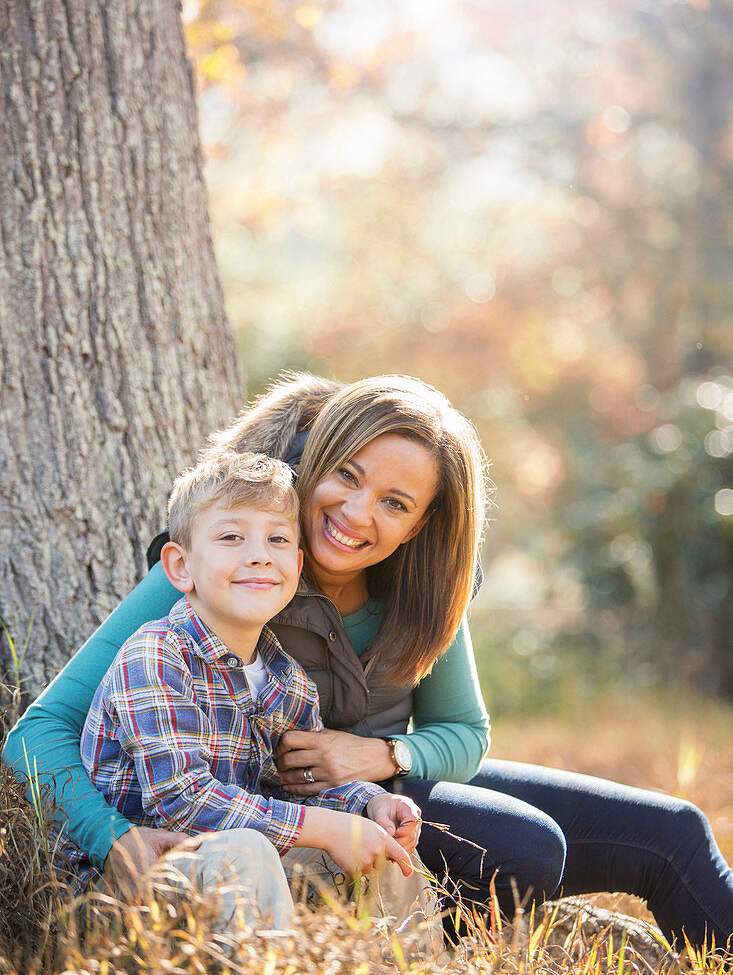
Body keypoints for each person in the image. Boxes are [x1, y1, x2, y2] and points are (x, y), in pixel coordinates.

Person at [5, 373, 733, 952]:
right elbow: (40, 733)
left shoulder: (420, 586)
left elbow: (462, 733)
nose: (357, 513)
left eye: (393, 502)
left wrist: (374, 757)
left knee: (672, 831)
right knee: (524, 849)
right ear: (314, 461)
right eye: (345, 476)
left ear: (422, 524)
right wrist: (113, 839)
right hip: (266, 819)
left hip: (379, 786)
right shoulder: (238, 564)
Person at [54, 448, 430, 933]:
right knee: (246, 850)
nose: (258, 554)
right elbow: (183, 802)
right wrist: (327, 828)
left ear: (295, 566)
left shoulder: (287, 680)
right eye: (231, 537)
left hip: (242, 881)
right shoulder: (156, 655)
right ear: (180, 567)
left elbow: (306, 784)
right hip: (132, 887)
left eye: (276, 539)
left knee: (383, 849)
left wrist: (365, 804)